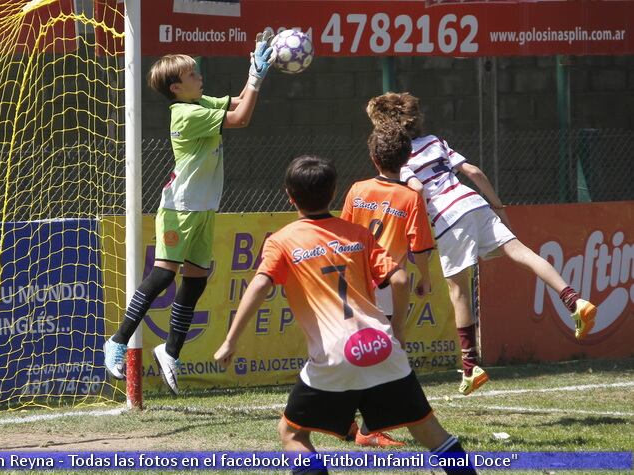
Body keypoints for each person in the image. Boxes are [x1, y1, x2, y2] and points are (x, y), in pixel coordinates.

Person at [215, 155, 476, 475]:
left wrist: (230, 340)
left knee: (293, 434)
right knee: (430, 433)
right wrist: (397, 330)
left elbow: (259, 286)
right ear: (334, 192)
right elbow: (400, 279)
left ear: (289, 195)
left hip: (335, 354)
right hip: (381, 346)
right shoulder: (358, 235)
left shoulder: (283, 240)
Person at [366, 92, 597, 395]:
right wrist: (498, 207)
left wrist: (418, 226)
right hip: (473, 202)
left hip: (448, 218)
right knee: (522, 252)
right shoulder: (435, 141)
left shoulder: (401, 160)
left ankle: (470, 368)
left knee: (459, 290)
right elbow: (473, 172)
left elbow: (419, 188)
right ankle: (575, 301)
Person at [103, 33, 274, 395]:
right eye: (193, 74)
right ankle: (117, 341)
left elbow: (241, 101)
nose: (200, 77)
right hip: (179, 210)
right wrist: (257, 77)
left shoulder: (199, 101)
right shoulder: (186, 113)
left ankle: (170, 350)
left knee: (195, 280)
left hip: (204, 209)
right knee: (164, 276)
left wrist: (253, 69)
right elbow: (241, 118)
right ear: (177, 87)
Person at [338, 124, 435, 446]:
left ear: (372, 157)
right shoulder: (410, 197)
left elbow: (344, 235)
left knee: (355, 352)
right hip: (385, 282)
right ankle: (368, 430)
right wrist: (425, 278)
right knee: (386, 356)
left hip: (353, 281)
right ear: (408, 158)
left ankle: (350, 422)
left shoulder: (357, 190)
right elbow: (420, 245)